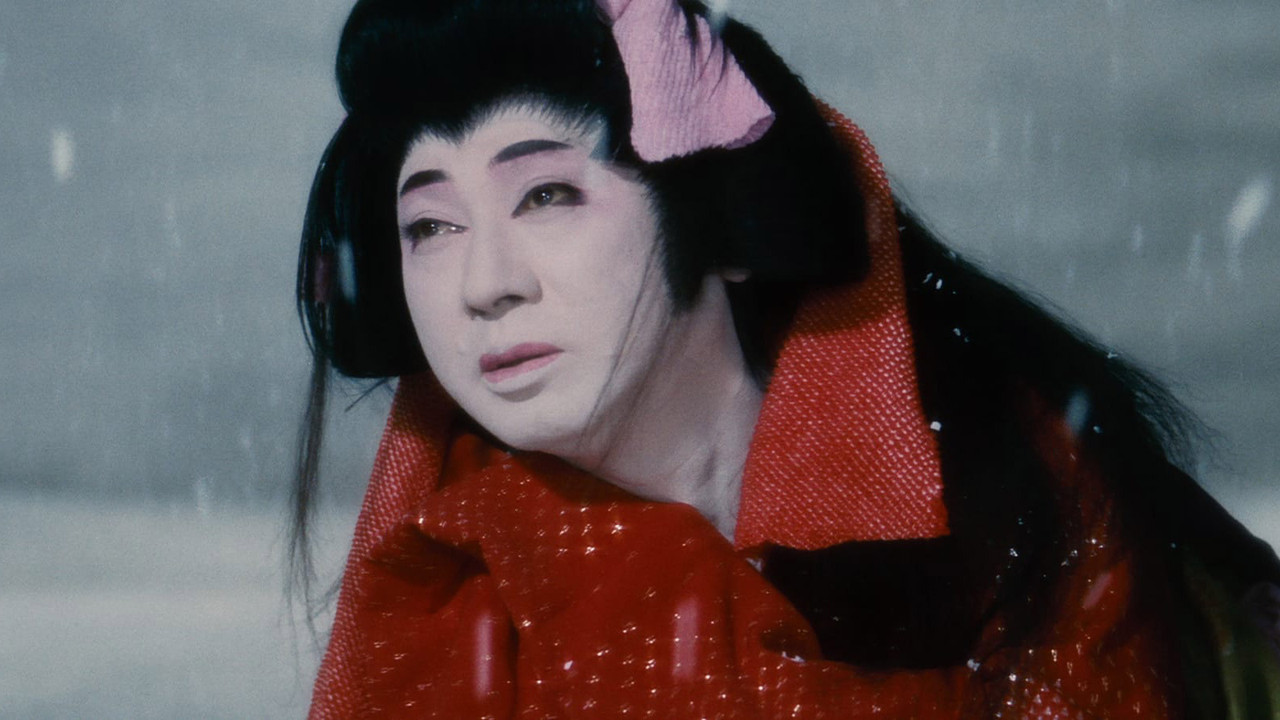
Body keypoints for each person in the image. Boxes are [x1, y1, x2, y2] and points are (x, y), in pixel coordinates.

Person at [292, 0, 1280, 717]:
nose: (483, 283)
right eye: (429, 226)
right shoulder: (446, 585)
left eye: (546, 196)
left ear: (718, 218)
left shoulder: (1007, 477)